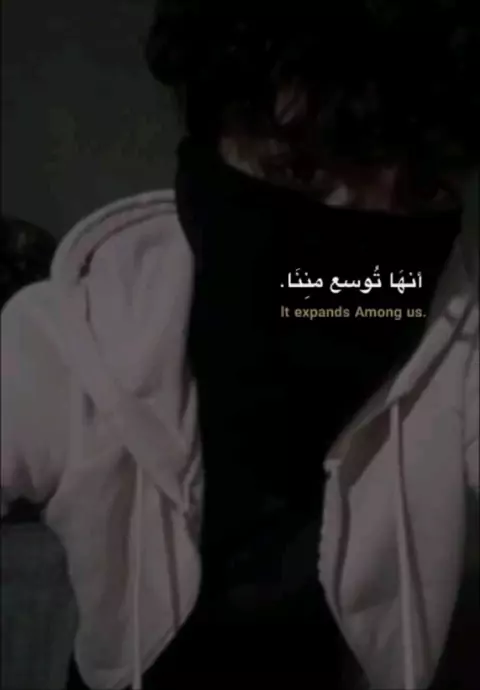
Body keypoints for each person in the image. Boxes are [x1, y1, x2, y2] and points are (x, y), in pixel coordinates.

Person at [1, 2, 478, 689]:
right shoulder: (72, 334)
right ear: (211, 144)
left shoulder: (453, 326)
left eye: (421, 191)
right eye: (302, 172)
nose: (361, 243)